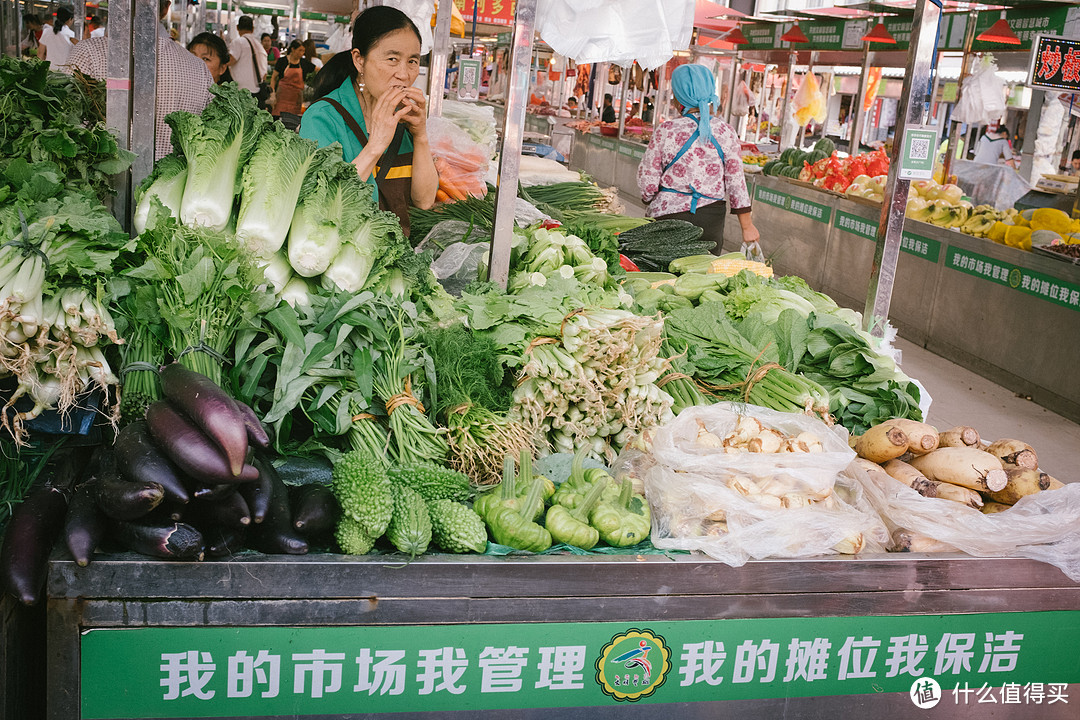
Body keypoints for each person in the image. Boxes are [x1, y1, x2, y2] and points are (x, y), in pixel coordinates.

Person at [299, 6, 437, 236]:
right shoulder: (322, 117)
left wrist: (421, 135)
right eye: (392, 59)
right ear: (359, 60)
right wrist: (375, 146)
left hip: (391, 259)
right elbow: (321, 204)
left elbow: (424, 201)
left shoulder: (404, 118)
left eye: (412, 61)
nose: (404, 74)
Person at [637, 63, 760, 255]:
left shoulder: (667, 130)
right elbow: (736, 183)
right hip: (710, 220)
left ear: (678, 97)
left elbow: (648, 181)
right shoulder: (726, 131)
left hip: (667, 217)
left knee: (660, 277)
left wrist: (651, 199)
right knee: (702, 279)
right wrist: (747, 227)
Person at [65, 0, 213, 160]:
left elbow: (67, 136)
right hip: (179, 183)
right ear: (165, 9)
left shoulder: (87, 54)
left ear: (111, 4)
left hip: (99, 184)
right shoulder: (199, 68)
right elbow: (209, 141)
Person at [271, 40, 315, 131]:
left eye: (303, 51)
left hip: (296, 99)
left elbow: (318, 69)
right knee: (277, 124)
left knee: (293, 124)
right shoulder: (282, 61)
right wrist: (273, 93)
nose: (302, 53)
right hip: (282, 98)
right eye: (300, 50)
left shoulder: (304, 63)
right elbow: (273, 77)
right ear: (293, 49)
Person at [228, 16, 268, 102]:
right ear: (253, 29)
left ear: (237, 27)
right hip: (257, 93)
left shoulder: (238, 42)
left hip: (242, 93)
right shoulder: (259, 45)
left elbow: (230, 61)